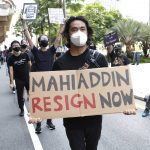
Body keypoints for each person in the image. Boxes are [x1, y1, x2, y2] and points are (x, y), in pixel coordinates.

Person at [29, 16, 136, 150]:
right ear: (68, 34)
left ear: (87, 32)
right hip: (72, 123)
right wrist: (40, 113)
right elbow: (52, 95)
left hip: (94, 121)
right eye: (74, 29)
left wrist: (125, 104)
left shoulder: (99, 58)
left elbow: (110, 88)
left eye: (82, 29)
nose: (78, 32)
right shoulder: (59, 63)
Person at [21, 17, 63, 133]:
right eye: (42, 39)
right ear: (39, 42)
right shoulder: (35, 51)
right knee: (39, 104)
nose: (44, 40)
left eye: (45, 39)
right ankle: (38, 124)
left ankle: (49, 121)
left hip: (49, 82)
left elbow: (59, 37)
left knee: (49, 103)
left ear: (47, 42)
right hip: (38, 84)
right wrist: (24, 23)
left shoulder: (51, 51)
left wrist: (62, 25)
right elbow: (29, 38)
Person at [8, 40, 31, 116]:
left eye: (17, 45)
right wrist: (11, 82)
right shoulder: (10, 59)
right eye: (14, 45)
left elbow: (30, 66)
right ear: (12, 48)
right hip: (18, 80)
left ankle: (33, 109)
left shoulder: (25, 55)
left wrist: (34, 75)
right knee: (20, 96)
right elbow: (11, 71)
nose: (16, 46)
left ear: (20, 46)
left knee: (31, 94)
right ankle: (22, 110)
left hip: (27, 78)